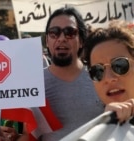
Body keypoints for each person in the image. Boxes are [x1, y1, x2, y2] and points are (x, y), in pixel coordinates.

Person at [35, 7, 104, 141]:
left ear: (81, 41)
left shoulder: (101, 78)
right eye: (54, 33)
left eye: (69, 32)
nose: (61, 38)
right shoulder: (33, 84)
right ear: (47, 41)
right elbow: (28, 133)